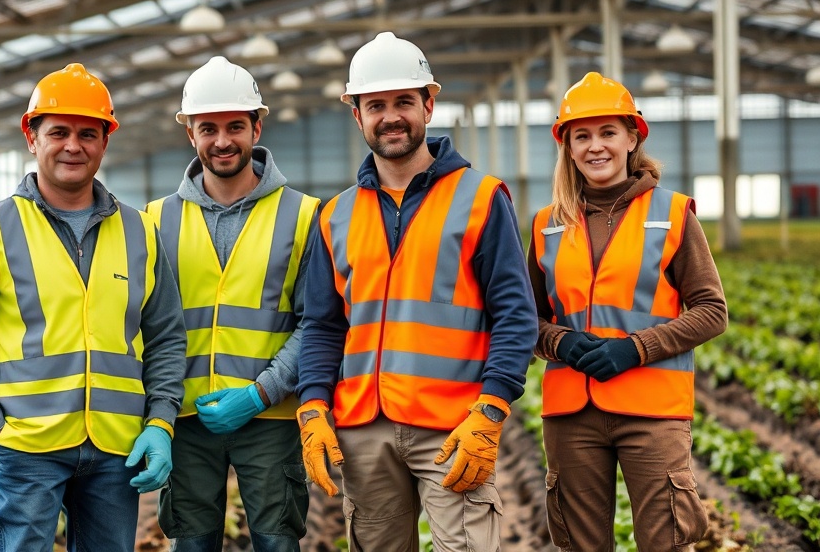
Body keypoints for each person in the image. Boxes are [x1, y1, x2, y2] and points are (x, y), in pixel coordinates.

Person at [296, 31, 539, 551]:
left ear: (429, 103)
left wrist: (492, 409)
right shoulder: (334, 215)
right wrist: (313, 407)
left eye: (404, 101)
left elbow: (516, 317)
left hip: (455, 427)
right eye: (375, 104)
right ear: (356, 114)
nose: (391, 116)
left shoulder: (481, 198)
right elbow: (322, 325)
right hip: (363, 429)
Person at [0, 63, 188, 552]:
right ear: (32, 137)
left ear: (104, 142)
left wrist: (159, 421)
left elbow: (167, 338)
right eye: (59, 132)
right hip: (27, 446)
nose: (74, 145)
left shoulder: (141, 233)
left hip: (117, 446)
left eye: (88, 134)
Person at [529, 71, 728, 551]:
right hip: (572, 414)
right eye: (582, 136)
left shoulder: (673, 212)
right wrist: (561, 342)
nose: (596, 147)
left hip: (653, 411)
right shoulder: (545, 224)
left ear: (632, 137)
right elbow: (525, 319)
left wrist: (635, 349)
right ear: (568, 147)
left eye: (608, 133)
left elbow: (711, 310)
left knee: (665, 541)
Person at [145, 56, 320, 552]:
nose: (222, 140)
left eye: (235, 126)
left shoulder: (305, 215)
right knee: (192, 544)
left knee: (277, 543)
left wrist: (261, 393)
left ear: (256, 127)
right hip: (184, 418)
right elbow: (143, 325)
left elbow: (319, 323)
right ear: (190, 133)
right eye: (208, 128)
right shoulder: (153, 221)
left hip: (270, 417)